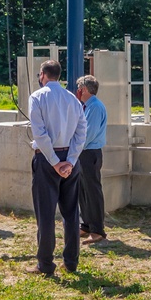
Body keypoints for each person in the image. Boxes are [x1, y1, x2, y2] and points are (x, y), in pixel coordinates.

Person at [29, 60, 86, 276]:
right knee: (71, 212)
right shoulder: (72, 98)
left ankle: (45, 264)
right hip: (70, 159)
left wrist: (54, 162)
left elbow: (40, 134)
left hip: (47, 158)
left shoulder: (38, 96)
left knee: (45, 213)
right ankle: (71, 262)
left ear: (43, 74)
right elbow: (82, 133)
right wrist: (70, 161)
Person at [75, 75, 108, 245]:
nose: (77, 91)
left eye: (79, 88)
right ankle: (86, 224)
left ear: (85, 89)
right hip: (83, 153)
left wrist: (73, 148)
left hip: (90, 153)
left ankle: (97, 230)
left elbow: (88, 134)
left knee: (93, 191)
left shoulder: (94, 107)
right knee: (82, 190)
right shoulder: (88, 106)